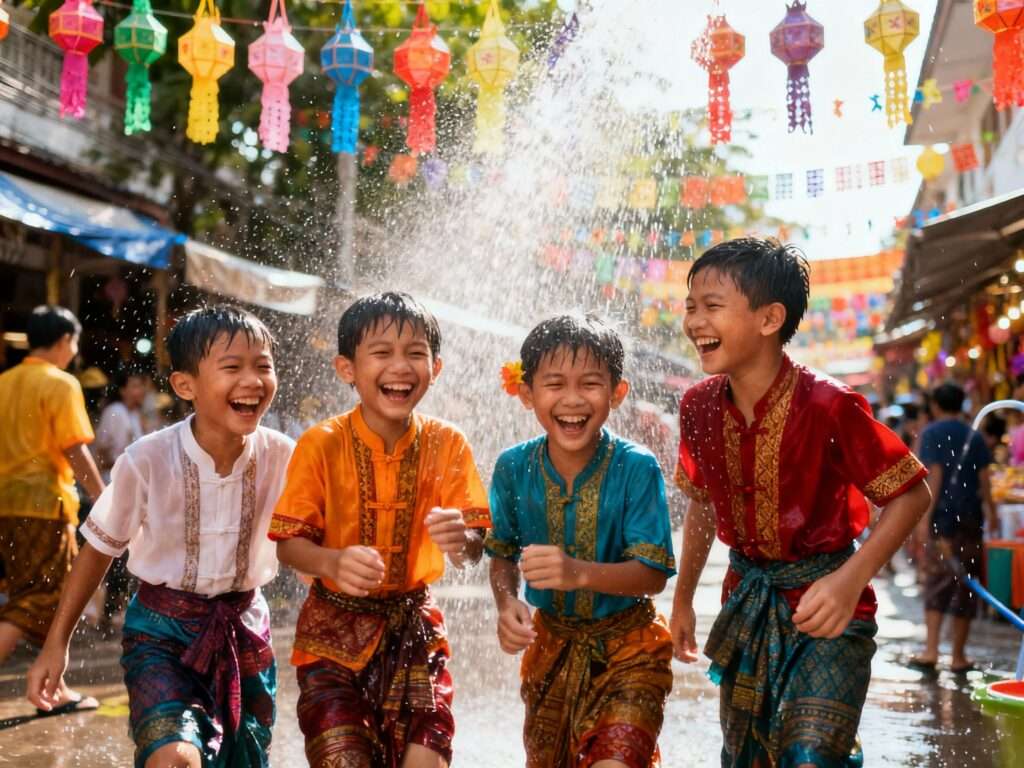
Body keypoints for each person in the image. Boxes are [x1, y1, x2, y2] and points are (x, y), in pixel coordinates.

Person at [670, 239, 931, 767]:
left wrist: (849, 581)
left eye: (712, 306)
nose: (695, 321)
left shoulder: (830, 404)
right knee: (748, 758)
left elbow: (911, 493)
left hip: (829, 609)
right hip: (746, 604)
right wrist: (683, 599)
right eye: (690, 306)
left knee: (809, 754)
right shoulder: (697, 407)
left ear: (770, 319)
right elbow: (702, 503)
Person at [27, 305, 294, 768]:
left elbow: (312, 538)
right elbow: (98, 549)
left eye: (263, 366)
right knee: (174, 758)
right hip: (160, 634)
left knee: (243, 760)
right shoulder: (147, 459)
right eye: (232, 367)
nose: (253, 381)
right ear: (185, 385)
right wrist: (57, 642)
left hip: (245, 627)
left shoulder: (284, 455)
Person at [269, 292, 490, 768]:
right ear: (346, 368)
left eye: (415, 353)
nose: (400, 366)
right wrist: (331, 561)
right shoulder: (320, 443)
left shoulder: (448, 442)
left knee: (426, 759)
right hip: (331, 639)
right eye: (382, 352)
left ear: (436, 367)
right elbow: (288, 546)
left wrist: (462, 542)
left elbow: (474, 548)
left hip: (416, 634)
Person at [486, 314, 676, 768]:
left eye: (590, 383)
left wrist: (578, 573)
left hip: (631, 649)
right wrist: (507, 602)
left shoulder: (637, 467)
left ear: (617, 392)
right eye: (554, 384)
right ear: (526, 393)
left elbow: (652, 575)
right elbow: (501, 553)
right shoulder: (513, 467)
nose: (572, 399)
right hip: (550, 650)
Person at [0, 306, 105, 716]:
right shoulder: (60, 383)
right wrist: (104, 498)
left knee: (42, 595)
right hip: (44, 504)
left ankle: (53, 687)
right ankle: (52, 688)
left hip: (7, 504)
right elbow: (74, 448)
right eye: (74, 343)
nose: (74, 351)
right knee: (44, 595)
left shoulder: (5, 382)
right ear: (64, 340)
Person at [911, 382, 996, 673]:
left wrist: (924, 520)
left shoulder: (931, 433)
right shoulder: (975, 435)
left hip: (943, 520)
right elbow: (984, 479)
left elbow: (934, 476)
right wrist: (992, 513)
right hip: (971, 520)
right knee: (966, 586)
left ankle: (931, 650)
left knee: (936, 582)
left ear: (935, 405)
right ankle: (958, 656)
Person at [94, 367, 149, 479]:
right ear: (122, 391)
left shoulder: (134, 413)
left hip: (128, 475)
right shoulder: (116, 410)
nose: (141, 390)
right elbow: (105, 450)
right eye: (135, 386)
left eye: (141, 386)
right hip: (114, 476)